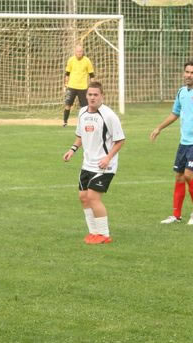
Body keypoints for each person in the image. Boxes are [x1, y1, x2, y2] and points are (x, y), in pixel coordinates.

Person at [150, 61, 193, 225]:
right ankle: (176, 215)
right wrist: (159, 128)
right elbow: (175, 113)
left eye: (192, 73)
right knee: (179, 176)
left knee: (188, 175)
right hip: (184, 141)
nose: (188, 75)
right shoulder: (181, 92)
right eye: (187, 72)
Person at [63, 81, 125, 244]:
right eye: (90, 94)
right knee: (83, 197)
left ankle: (104, 235)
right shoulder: (82, 112)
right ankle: (93, 232)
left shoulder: (109, 116)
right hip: (87, 163)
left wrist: (108, 158)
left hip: (105, 165)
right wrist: (72, 150)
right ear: (86, 96)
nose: (92, 97)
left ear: (102, 96)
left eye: (96, 95)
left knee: (93, 197)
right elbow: (80, 136)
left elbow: (120, 140)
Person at [63, 44, 95, 127]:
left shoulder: (87, 61)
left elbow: (91, 75)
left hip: (83, 87)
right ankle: (65, 122)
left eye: (80, 51)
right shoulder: (71, 60)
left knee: (85, 107)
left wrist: (92, 86)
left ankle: (85, 122)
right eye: (77, 51)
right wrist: (65, 84)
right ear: (75, 52)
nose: (79, 53)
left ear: (83, 52)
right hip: (71, 86)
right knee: (68, 104)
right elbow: (67, 73)